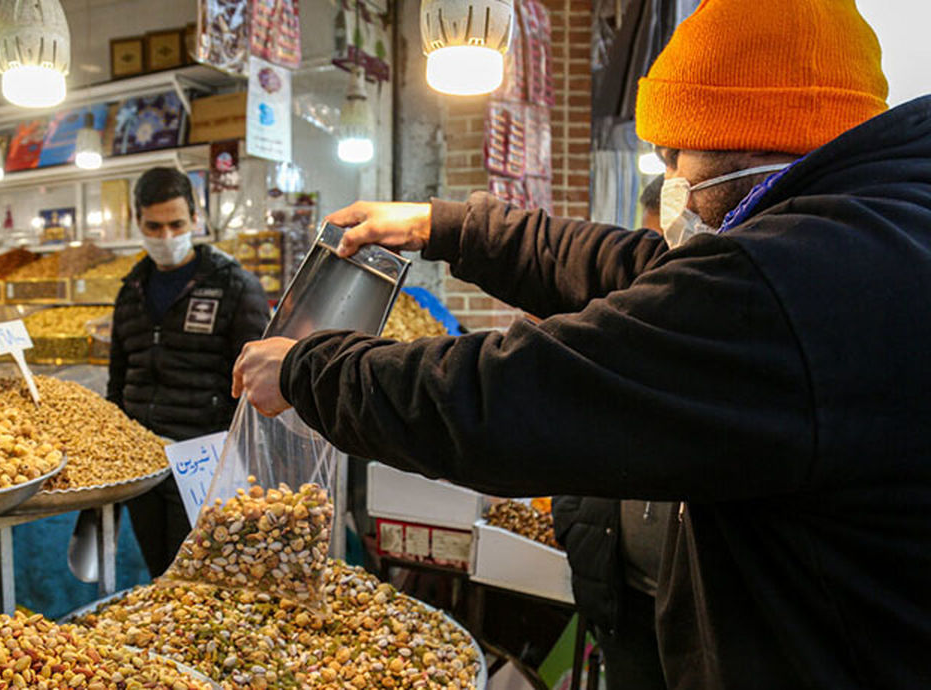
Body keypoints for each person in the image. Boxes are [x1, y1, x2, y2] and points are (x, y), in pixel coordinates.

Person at [233, 1, 931, 687]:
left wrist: (310, 369)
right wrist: (445, 227)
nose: (672, 182)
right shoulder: (871, 231)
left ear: (745, 139)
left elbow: (513, 400)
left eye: (675, 154)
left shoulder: (796, 282)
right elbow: (637, 270)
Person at [109, 167, 269, 578]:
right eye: (154, 226)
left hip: (205, 461)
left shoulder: (234, 286)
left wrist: (242, 462)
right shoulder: (130, 291)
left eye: (177, 224)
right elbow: (118, 378)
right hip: (143, 463)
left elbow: (257, 383)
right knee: (160, 575)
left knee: (202, 581)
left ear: (196, 220)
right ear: (137, 223)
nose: (166, 236)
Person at [552, 172, 673, 690]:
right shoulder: (619, 324)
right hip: (623, 599)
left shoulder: (721, 336)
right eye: (658, 247)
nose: (670, 266)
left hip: (703, 611)